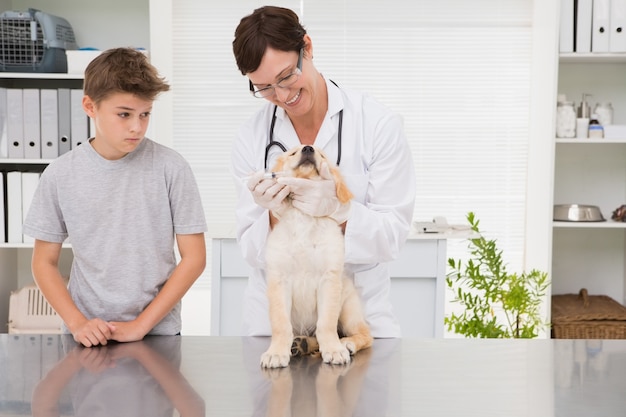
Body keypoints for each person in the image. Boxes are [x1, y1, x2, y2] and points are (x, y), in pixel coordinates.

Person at [231, 6, 416, 337]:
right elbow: (250, 249)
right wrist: (274, 214)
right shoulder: (251, 137)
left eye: (287, 76)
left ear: (308, 48)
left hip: (357, 315)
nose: (283, 95)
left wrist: (338, 211)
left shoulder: (377, 125)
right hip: (276, 325)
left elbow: (392, 237)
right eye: (265, 88)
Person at [23, 47, 207, 347]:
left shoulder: (171, 167)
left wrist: (139, 326)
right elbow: (43, 262)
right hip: (84, 334)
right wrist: (78, 323)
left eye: (145, 114)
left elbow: (195, 258)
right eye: (124, 114)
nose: (137, 126)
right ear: (90, 106)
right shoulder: (59, 174)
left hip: (158, 334)